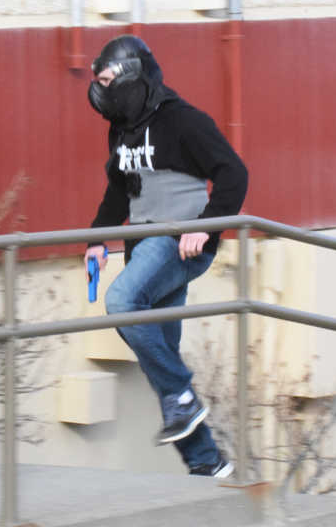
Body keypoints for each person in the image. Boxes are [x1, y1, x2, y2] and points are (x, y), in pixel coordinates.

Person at [83, 35, 248, 478]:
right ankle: (207, 463)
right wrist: (96, 240)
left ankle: (184, 397)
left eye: (105, 80)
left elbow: (233, 173)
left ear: (132, 75)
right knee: (161, 353)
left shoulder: (182, 121)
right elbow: (120, 190)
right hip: (144, 246)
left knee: (121, 305)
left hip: (178, 241)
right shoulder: (121, 129)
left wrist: (204, 224)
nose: (99, 91)